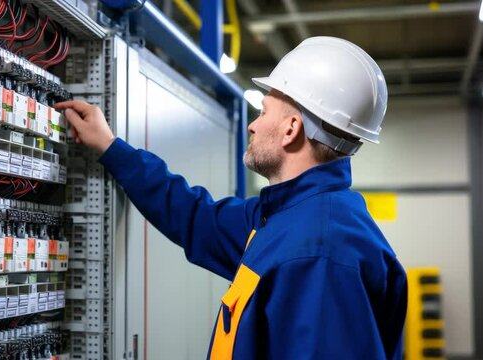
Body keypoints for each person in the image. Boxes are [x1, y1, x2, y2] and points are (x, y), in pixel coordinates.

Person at [56, 37, 407, 359]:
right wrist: (112, 148)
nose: (254, 124)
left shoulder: (319, 255)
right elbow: (196, 217)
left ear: (291, 129)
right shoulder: (286, 217)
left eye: (264, 111)